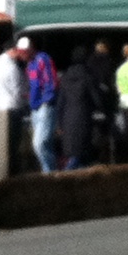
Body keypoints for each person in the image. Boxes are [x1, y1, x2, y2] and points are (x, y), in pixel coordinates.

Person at [54, 48, 97, 170]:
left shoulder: (65, 78)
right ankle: (65, 176)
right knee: (80, 154)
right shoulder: (87, 77)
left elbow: (60, 102)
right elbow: (96, 98)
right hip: (83, 117)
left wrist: (59, 123)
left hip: (67, 118)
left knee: (74, 153)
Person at [24, 38, 60, 175]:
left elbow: (51, 82)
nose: (22, 55)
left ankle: (50, 173)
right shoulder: (30, 64)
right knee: (46, 144)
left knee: (39, 144)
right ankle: (52, 174)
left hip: (44, 106)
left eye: (24, 52)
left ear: (31, 48)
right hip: (35, 108)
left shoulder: (42, 60)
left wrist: (46, 101)